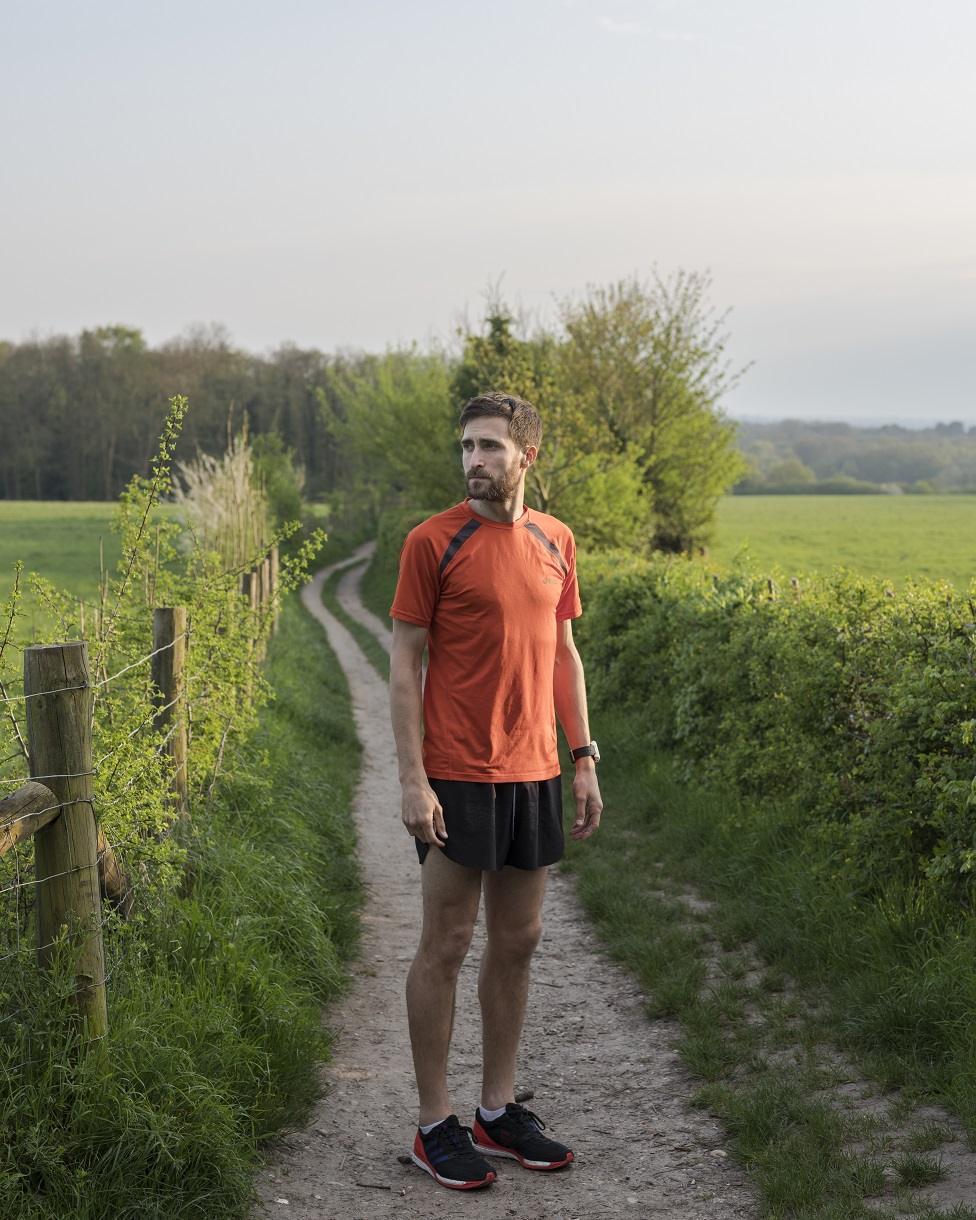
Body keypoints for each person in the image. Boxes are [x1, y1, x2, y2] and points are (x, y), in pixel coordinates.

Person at [389, 390, 604, 1192]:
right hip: (453, 774)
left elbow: (563, 655)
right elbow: (404, 667)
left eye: (489, 448)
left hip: (535, 771)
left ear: (527, 458)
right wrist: (413, 778)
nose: (473, 462)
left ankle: (497, 1109)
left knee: (518, 943)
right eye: (467, 447)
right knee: (445, 945)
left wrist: (581, 756)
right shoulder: (431, 543)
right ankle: (434, 1124)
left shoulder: (556, 540)